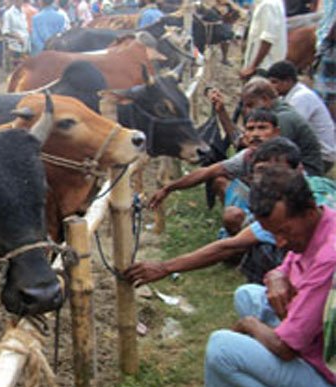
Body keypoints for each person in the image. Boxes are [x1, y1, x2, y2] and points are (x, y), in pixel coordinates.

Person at [204, 166, 336, 387]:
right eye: (274, 233)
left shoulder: (330, 256)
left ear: (309, 210)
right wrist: (276, 275)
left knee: (221, 348)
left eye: (284, 231)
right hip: (319, 349)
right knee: (248, 294)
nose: (280, 242)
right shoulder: (323, 222)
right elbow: (284, 268)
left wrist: (250, 324)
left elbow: (287, 348)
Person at [126, 138, 336, 286]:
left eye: (273, 172)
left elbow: (229, 247)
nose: (263, 181)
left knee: (260, 248)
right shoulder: (298, 192)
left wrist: (164, 267)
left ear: (297, 170)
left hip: (323, 278)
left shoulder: (296, 203)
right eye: (259, 173)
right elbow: (210, 172)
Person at [150, 109, 282, 236]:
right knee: (220, 179)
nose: (255, 134)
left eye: (262, 128)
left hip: (280, 219)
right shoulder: (247, 155)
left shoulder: (285, 158)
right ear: (245, 135)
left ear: (276, 132)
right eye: (250, 129)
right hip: (260, 211)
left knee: (234, 219)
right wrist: (169, 188)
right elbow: (208, 171)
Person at [211, 78, 324, 176]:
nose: (246, 111)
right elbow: (240, 141)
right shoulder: (271, 116)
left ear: (265, 99)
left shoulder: (282, 118)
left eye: (250, 105)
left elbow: (264, 153)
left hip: (304, 176)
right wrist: (222, 112)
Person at [267, 60, 336, 172]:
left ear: (288, 81)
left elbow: (290, 131)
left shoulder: (301, 97)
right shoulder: (286, 96)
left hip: (321, 156)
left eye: (275, 82)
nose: (272, 87)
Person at [240, 0, 286, 80]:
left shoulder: (268, 5)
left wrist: (253, 66)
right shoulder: (271, 3)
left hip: (263, 67)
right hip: (263, 65)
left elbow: (268, 38)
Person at [2, 0, 30, 67]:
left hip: (25, 46)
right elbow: (5, 31)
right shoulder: (8, 13)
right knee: (16, 71)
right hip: (15, 47)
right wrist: (17, 37)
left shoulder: (23, 12)